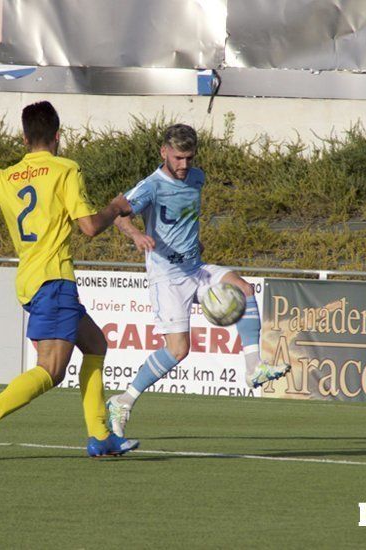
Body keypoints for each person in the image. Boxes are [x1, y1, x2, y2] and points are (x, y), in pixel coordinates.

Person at [0, 101, 139, 460]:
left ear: (24, 139)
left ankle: (100, 436)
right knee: (51, 371)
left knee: (96, 344)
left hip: (31, 282)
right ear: (58, 136)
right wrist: (116, 207)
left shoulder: (2, 178)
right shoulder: (65, 169)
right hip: (54, 281)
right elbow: (89, 227)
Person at [105, 123, 290, 437]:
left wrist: (193, 243)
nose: (183, 165)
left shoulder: (197, 178)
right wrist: (137, 234)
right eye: (177, 157)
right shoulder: (152, 185)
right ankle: (124, 400)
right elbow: (117, 211)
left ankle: (253, 367)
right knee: (178, 350)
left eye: (189, 157)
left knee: (243, 288)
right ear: (164, 152)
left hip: (195, 268)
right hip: (167, 278)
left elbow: (185, 217)